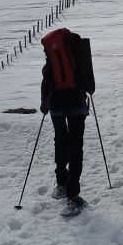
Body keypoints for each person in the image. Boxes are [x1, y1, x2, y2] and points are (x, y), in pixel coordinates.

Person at [40, 38, 90, 209]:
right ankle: (73, 195)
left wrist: (44, 105)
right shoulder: (77, 49)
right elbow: (89, 81)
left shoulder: (53, 54)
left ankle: (61, 183)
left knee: (60, 141)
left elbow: (46, 80)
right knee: (76, 146)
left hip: (56, 106)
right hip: (77, 104)